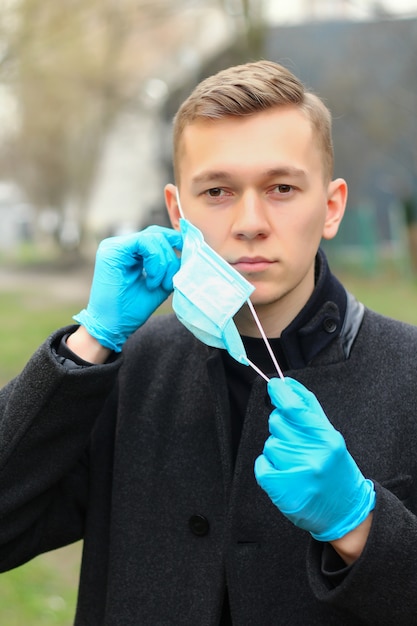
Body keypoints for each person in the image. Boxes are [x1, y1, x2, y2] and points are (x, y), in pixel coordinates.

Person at [0, 60, 416, 625]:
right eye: (218, 190)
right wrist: (91, 342)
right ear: (178, 212)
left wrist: (361, 526)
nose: (250, 221)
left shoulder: (408, 373)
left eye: (282, 187)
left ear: (332, 206)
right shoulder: (130, 370)